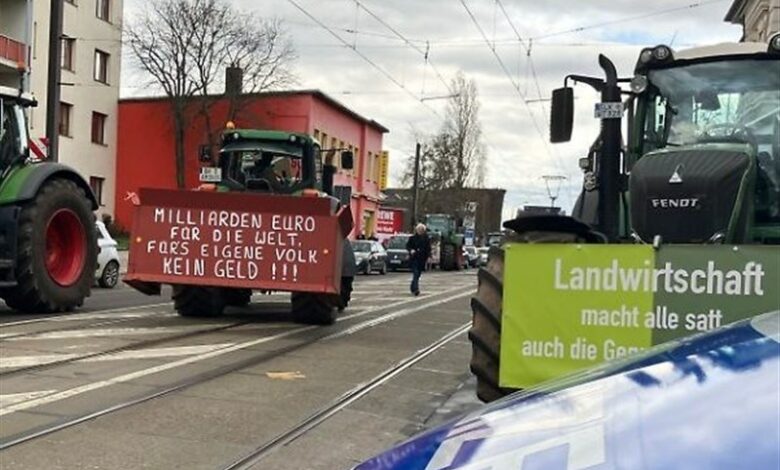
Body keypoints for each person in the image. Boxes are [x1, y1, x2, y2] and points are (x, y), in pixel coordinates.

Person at [406, 223, 431, 296]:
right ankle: (416, 289)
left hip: (422, 259)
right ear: (416, 230)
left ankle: (412, 287)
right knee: (416, 273)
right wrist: (411, 250)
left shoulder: (426, 239)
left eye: (422, 230)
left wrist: (429, 257)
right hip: (414, 258)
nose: (420, 231)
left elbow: (428, 249)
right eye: (419, 229)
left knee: (418, 275)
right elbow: (408, 246)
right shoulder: (412, 238)